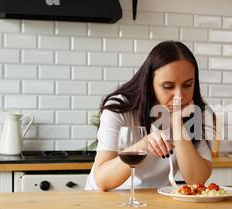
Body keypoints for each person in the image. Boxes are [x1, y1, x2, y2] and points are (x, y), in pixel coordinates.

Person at [85, 41, 214, 191]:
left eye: (187, 85)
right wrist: (143, 145)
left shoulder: (198, 113)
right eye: (168, 86)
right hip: (105, 199)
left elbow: (196, 180)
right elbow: (102, 180)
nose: (179, 96)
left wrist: (177, 124)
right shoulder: (120, 108)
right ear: (150, 84)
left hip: (155, 201)